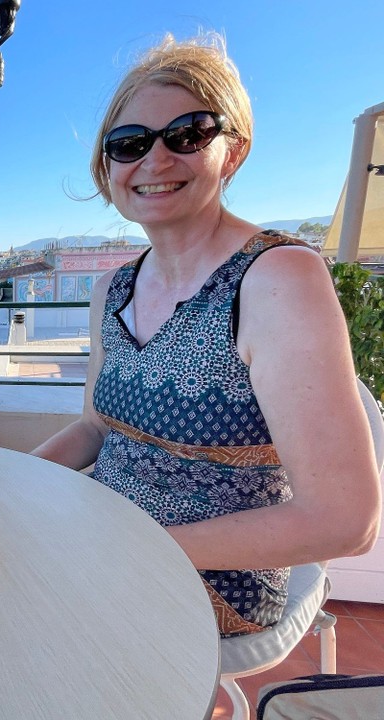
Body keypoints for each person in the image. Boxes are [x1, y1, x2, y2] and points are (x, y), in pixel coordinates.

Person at [33, 33, 381, 636]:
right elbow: (95, 427)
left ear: (234, 150)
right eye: (130, 143)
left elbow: (346, 519)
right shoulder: (111, 291)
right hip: (105, 533)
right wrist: (7, 489)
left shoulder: (276, 280)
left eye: (189, 133)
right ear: (108, 166)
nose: (156, 160)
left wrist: (136, 546)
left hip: (215, 575)